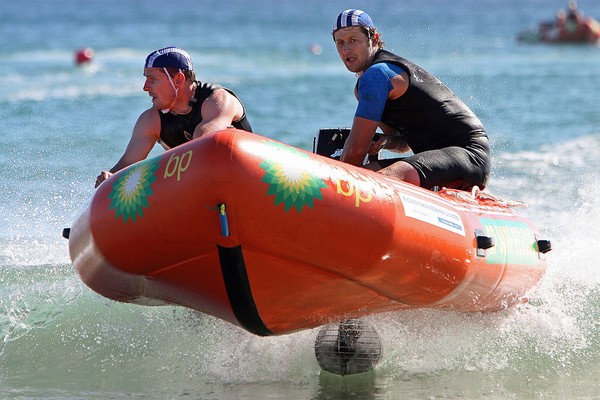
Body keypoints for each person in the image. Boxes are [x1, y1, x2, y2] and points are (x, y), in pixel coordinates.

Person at [332, 10, 490, 190]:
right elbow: (403, 143)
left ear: (373, 39)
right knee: (368, 173)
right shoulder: (366, 83)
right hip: (436, 159)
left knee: (373, 183)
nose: (346, 49)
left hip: (467, 155)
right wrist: (384, 141)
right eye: (340, 43)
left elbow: (356, 151)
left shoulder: (377, 75)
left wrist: (335, 186)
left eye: (353, 40)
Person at [95, 46, 252, 188]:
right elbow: (127, 165)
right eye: (145, 79)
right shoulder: (151, 120)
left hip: (246, 179)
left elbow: (203, 139)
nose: (145, 87)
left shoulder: (218, 100)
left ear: (178, 80)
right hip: (199, 187)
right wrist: (110, 179)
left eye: (152, 79)